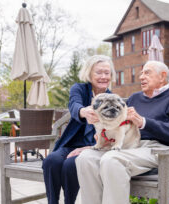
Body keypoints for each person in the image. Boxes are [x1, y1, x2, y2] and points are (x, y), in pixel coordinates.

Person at [75, 60, 169, 204]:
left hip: (160, 151)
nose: (141, 77)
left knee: (112, 159)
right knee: (85, 158)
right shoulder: (135, 98)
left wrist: (143, 122)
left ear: (162, 76)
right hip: (129, 147)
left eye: (147, 73)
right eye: (141, 73)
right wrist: (102, 129)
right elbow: (120, 126)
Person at [42, 55, 116, 204]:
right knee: (51, 161)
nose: (103, 76)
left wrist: (89, 148)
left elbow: (111, 134)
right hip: (71, 143)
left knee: (71, 164)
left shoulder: (112, 99)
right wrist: (84, 111)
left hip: (94, 147)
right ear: (89, 74)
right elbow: (74, 104)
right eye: (98, 72)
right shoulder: (79, 89)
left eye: (107, 73)